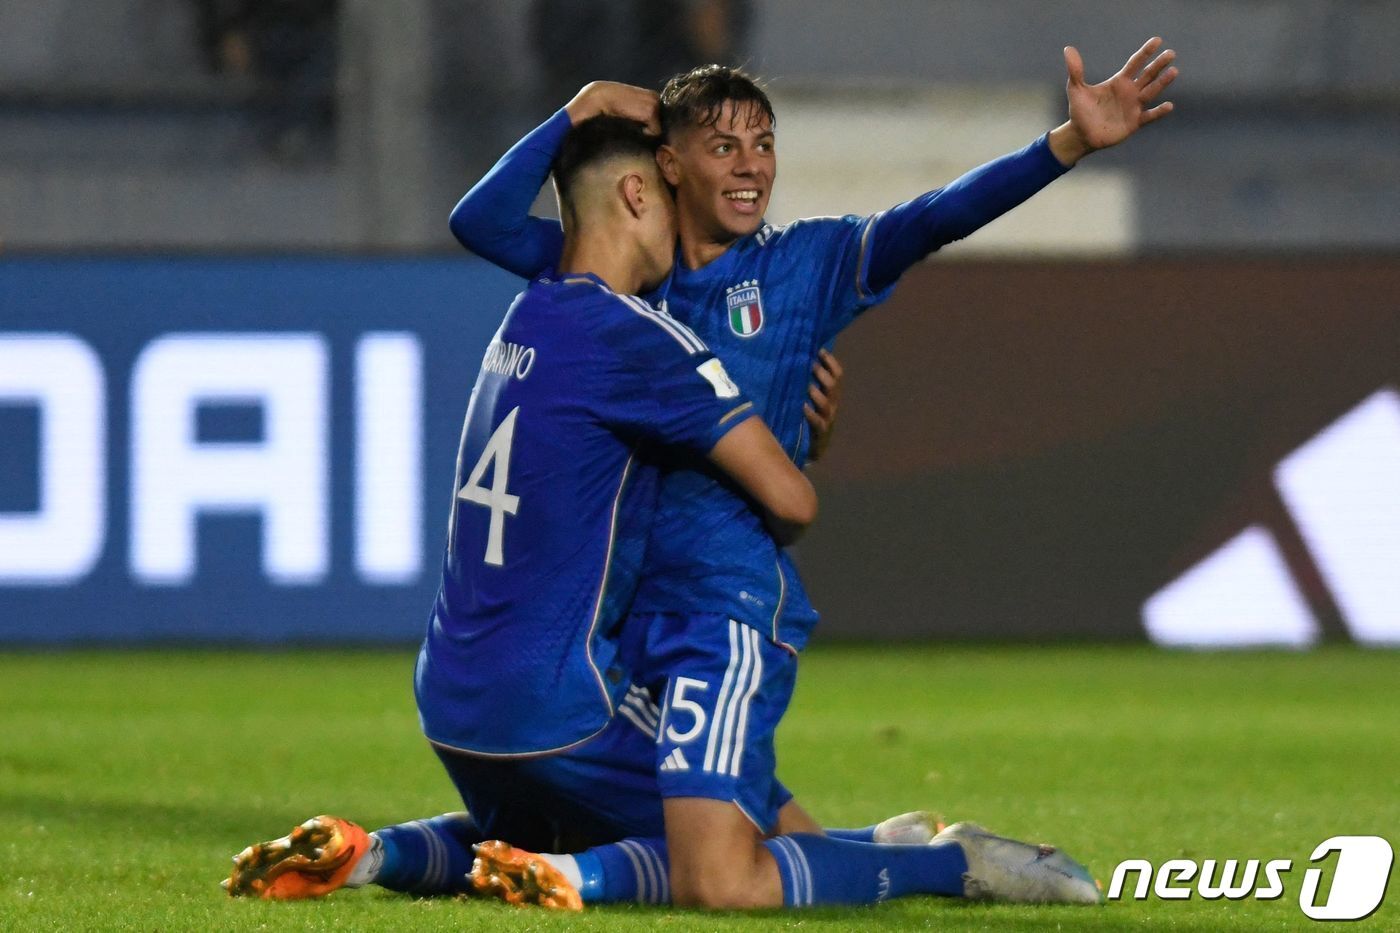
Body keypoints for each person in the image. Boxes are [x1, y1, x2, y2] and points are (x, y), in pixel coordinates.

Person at [446, 38, 1178, 911]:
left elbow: (933, 218)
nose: (753, 167)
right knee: (762, 850)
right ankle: (897, 849)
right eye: (725, 148)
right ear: (666, 167)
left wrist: (1065, 145)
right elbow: (479, 223)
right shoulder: (627, 271)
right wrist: (575, 112)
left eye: (765, 144)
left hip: (723, 602)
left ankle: (952, 864)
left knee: (722, 873)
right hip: (621, 619)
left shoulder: (805, 264)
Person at [222, 114, 933, 906]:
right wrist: (804, 433)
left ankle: (375, 854)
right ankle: (945, 864)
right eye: (670, 197)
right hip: (558, 702)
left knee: (564, 824)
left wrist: (574, 111)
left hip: (449, 699)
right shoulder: (639, 338)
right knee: (744, 854)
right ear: (638, 193)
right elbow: (791, 500)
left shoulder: (524, 318)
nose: (683, 226)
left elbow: (478, 220)